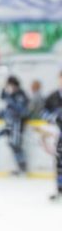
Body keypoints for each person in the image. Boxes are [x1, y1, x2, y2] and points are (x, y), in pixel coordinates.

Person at [0, 75, 30, 175]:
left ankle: (22, 168)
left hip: (18, 124)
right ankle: (20, 167)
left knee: (16, 145)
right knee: (13, 145)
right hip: (10, 123)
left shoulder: (20, 94)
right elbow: (1, 97)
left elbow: (22, 110)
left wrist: (9, 98)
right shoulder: (9, 93)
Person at [43, 71, 62, 201]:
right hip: (60, 135)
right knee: (60, 163)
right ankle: (60, 189)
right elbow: (43, 112)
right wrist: (53, 117)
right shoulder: (52, 97)